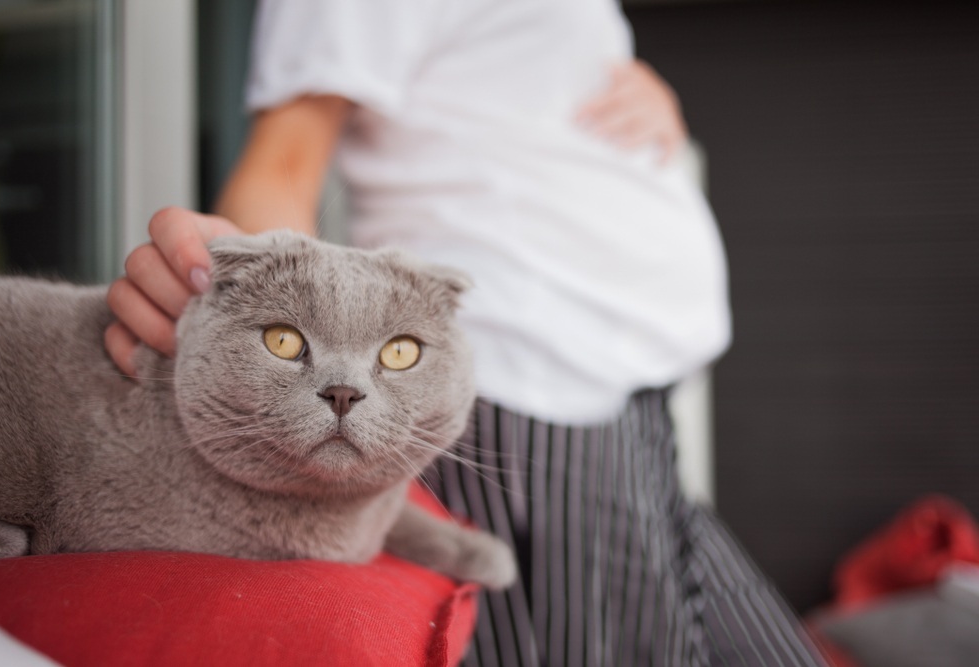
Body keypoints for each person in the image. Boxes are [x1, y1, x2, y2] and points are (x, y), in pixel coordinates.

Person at [106, 1, 825, 665]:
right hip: (533, 393)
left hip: (626, 401)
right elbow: (284, 163)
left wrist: (643, 92)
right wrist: (238, 308)